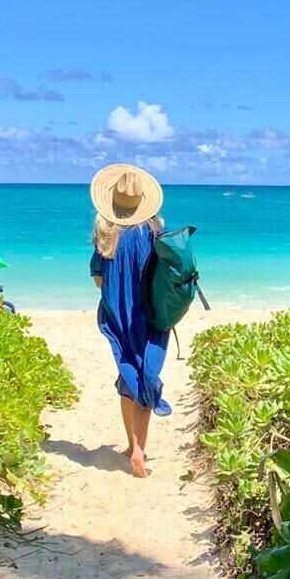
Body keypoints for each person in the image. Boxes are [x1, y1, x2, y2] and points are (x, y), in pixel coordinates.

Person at [89, 163, 169, 480]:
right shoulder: (154, 231)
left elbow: (98, 280)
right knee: (146, 375)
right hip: (150, 313)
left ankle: (131, 445)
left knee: (127, 375)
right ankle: (140, 450)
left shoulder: (105, 233)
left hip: (117, 315)